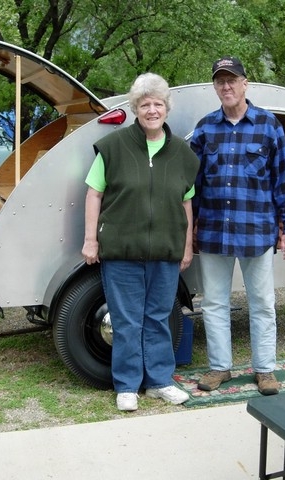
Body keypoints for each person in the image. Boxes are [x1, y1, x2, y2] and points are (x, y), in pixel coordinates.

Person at [82, 73, 199, 411]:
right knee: (126, 321)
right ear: (135, 108)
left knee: (159, 317)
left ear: (166, 109)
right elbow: (94, 193)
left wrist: (187, 245)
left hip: (165, 251)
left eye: (158, 104)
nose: (152, 110)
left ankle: (160, 381)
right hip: (121, 251)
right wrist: (91, 240)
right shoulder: (113, 147)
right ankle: (128, 386)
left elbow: (186, 202)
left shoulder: (182, 154)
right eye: (145, 104)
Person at [191, 56, 285, 396]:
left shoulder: (269, 126)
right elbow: (191, 184)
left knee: (262, 302)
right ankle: (219, 368)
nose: (226, 86)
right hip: (213, 230)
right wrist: (190, 225)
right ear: (215, 87)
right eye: (220, 81)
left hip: (256, 230)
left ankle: (265, 369)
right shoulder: (205, 128)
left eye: (232, 80)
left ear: (245, 83)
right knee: (213, 303)